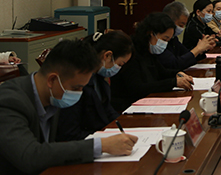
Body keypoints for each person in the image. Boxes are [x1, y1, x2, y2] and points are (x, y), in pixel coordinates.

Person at [0, 38, 137, 175]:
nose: (79, 94)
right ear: (52, 80)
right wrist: (101, 145)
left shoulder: (52, 96)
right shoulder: (9, 101)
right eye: (76, 88)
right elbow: (30, 156)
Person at [56, 31, 133, 141]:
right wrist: (104, 140)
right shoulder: (76, 82)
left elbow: (107, 109)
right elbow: (70, 133)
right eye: (120, 64)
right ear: (107, 55)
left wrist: (124, 125)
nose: (118, 69)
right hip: (83, 142)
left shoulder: (99, 78)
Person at [110, 12, 194, 112]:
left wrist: (177, 74)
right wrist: (173, 82)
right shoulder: (131, 51)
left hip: (146, 102)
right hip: (128, 107)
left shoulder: (148, 49)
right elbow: (137, 88)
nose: (165, 44)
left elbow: (161, 72)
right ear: (150, 33)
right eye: (164, 39)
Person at [158, 1, 216, 71]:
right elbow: (175, 64)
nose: (182, 28)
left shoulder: (174, 39)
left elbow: (186, 55)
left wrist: (201, 50)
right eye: (180, 25)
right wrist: (198, 49)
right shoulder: (160, 41)